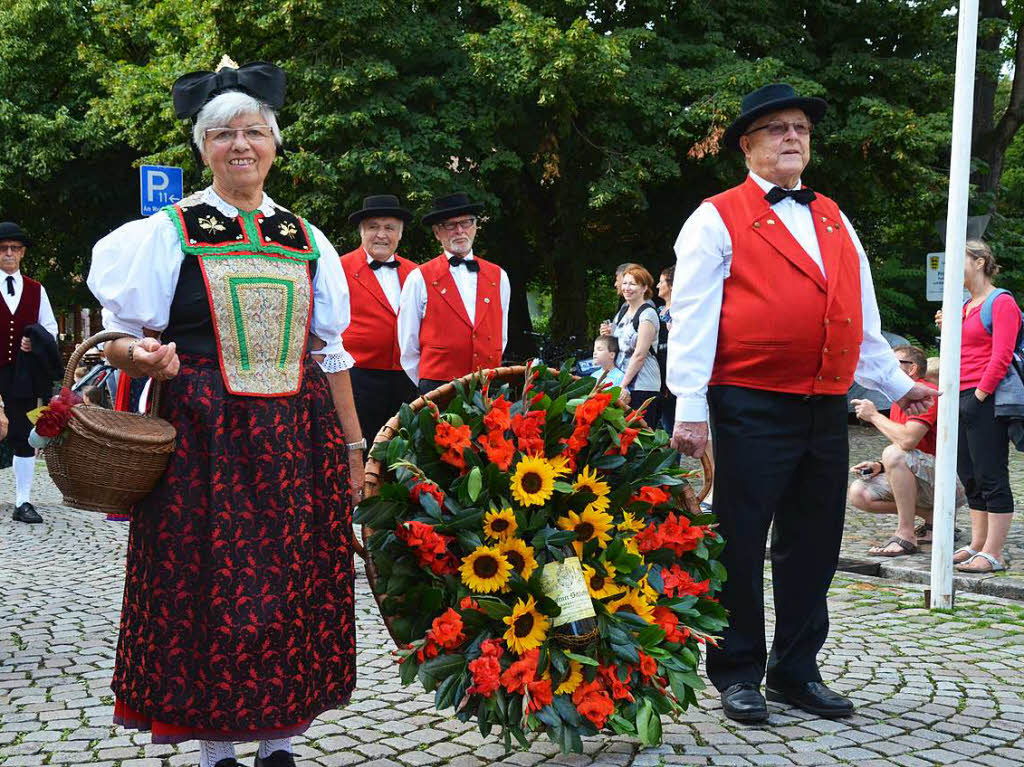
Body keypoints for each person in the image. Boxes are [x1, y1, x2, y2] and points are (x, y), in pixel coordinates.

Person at [87, 59, 363, 767]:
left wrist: (354, 448)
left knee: (291, 586)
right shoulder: (167, 231)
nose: (240, 145)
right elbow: (117, 337)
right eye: (222, 135)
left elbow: (331, 353)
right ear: (202, 148)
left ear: (275, 144)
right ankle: (215, 749)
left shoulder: (308, 238)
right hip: (203, 438)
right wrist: (142, 359)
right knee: (208, 589)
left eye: (253, 132)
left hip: (297, 439)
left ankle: (279, 742)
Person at [667, 83, 935, 724]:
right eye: (778, 128)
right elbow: (694, 318)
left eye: (802, 129)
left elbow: (860, 317)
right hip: (749, 401)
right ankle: (736, 671)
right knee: (739, 538)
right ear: (748, 145)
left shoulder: (834, 216)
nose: (793, 137)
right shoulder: (715, 216)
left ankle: (795, 669)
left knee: (813, 541)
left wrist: (899, 388)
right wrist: (690, 407)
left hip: (823, 404)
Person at [936, 239, 1019, 573]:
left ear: (980, 262)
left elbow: (1000, 356)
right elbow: (961, 353)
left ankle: (994, 552)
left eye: (960, 260)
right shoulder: (964, 305)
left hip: (986, 398)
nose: (952, 269)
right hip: (960, 395)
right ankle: (977, 544)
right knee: (969, 475)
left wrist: (980, 397)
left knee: (990, 473)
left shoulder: (1001, 302)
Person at [848, 345, 967, 554]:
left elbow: (908, 441)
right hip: (926, 475)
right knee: (859, 493)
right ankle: (935, 520)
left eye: (893, 365)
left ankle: (905, 535)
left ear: (911, 369)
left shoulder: (926, 393)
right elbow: (912, 452)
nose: (887, 370)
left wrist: (874, 416)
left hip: (952, 480)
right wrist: (879, 466)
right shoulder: (900, 398)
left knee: (893, 453)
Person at [397, 193, 510, 394]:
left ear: (475, 227)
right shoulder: (418, 278)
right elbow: (408, 345)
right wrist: (430, 384)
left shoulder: (499, 276)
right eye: (450, 225)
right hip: (438, 387)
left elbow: (501, 336)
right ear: (437, 233)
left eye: (466, 223)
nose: (459, 230)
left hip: (487, 385)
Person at [341, 195, 418, 446]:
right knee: (361, 446)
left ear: (400, 234)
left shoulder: (417, 273)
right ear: (361, 231)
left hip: (407, 377)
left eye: (389, 228)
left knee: (403, 447)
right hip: (359, 378)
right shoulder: (340, 268)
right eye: (373, 227)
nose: (381, 235)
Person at [0, 221, 59, 524]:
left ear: (22, 253)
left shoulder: (37, 289)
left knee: (23, 435)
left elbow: (50, 329)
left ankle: (23, 501)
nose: (9, 253)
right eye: (3, 249)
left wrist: (34, 338)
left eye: (14, 248)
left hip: (21, 374)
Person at [601, 265, 661, 426]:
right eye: (625, 283)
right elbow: (615, 345)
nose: (627, 288)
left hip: (641, 384)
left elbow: (640, 354)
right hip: (621, 382)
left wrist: (623, 385)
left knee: (641, 435)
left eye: (632, 284)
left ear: (644, 288)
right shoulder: (623, 312)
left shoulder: (647, 314)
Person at [656, 266, 675, 434]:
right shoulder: (656, 311)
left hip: (672, 370)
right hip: (656, 371)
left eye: (661, 282)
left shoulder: (681, 312)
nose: (657, 285)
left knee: (670, 425)